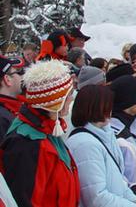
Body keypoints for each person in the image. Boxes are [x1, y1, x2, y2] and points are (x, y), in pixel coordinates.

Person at [1, 60, 79, 206]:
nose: (72, 98)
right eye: (68, 94)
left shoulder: (47, 130)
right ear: (55, 102)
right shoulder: (28, 144)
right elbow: (25, 200)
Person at [66, 85, 136, 206]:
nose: (110, 109)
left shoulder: (104, 135)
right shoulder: (85, 144)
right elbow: (96, 197)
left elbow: (119, 182)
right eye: (107, 105)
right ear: (96, 107)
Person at [0, 54, 25, 142]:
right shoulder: (3, 118)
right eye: (18, 73)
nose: (21, 77)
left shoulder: (8, 110)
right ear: (7, 79)